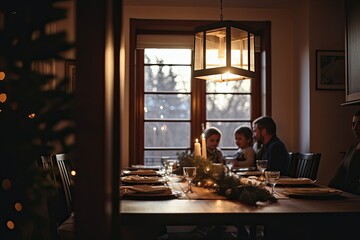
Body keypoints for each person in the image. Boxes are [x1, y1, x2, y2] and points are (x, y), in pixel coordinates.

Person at [329, 110, 360, 195]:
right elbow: (338, 176)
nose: (355, 128)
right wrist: (328, 191)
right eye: (353, 124)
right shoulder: (352, 148)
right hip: (344, 196)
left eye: (359, 124)